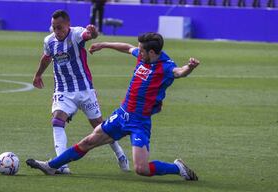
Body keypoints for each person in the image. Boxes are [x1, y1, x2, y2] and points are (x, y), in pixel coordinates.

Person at [26, 32, 200, 181]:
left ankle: (178, 168)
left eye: (141, 50)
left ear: (152, 52)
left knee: (142, 169)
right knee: (88, 142)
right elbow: (126, 47)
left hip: (139, 122)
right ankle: (51, 166)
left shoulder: (166, 67)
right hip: (122, 115)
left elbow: (180, 72)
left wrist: (189, 68)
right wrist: (103, 44)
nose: (138, 52)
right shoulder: (143, 55)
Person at [31, 10, 129, 174]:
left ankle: (120, 154)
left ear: (68, 25)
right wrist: (38, 74)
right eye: (54, 28)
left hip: (85, 91)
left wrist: (93, 32)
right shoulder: (49, 41)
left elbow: (89, 35)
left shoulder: (76, 34)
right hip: (63, 91)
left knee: (101, 128)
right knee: (57, 121)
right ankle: (61, 164)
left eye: (60, 28)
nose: (57, 31)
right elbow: (46, 57)